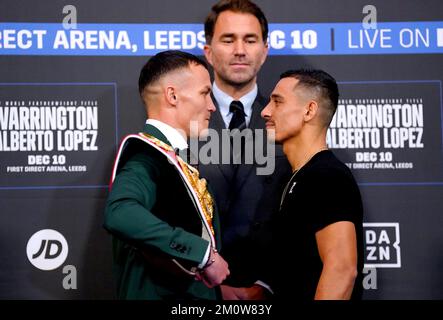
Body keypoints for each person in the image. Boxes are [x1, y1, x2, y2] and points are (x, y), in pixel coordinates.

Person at [103, 50, 230, 300]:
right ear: (172, 95)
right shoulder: (146, 156)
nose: (212, 106)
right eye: (205, 93)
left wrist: (216, 293)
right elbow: (120, 212)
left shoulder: (174, 158)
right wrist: (205, 255)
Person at [200, 0, 292, 299]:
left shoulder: (288, 124)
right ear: (208, 51)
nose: (240, 49)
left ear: (265, 50)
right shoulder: (178, 123)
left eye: (250, 40)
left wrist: (266, 285)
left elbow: (298, 220)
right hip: (195, 290)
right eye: (228, 39)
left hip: (266, 290)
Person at [261, 69, 364, 300]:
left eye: (277, 102)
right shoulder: (298, 176)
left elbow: (342, 270)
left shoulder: (327, 177)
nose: (265, 111)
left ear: (309, 110)